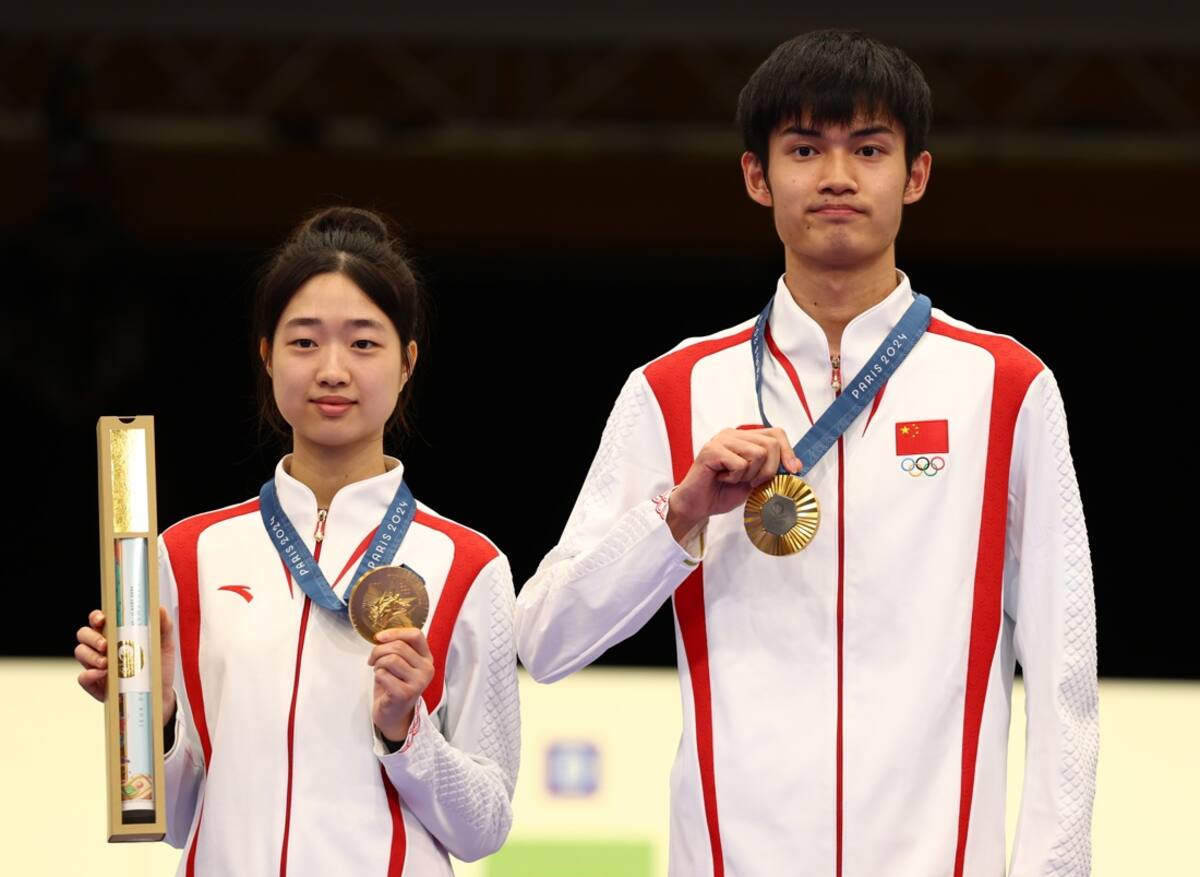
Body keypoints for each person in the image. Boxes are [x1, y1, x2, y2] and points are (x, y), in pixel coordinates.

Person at [515, 29, 1097, 877]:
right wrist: (676, 518)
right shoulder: (675, 390)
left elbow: (1064, 674)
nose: (835, 175)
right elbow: (544, 639)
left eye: (868, 148)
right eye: (803, 148)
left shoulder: (1004, 387)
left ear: (916, 175)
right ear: (758, 176)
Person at [76, 207, 520, 876]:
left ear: (407, 363)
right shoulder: (188, 553)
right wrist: (148, 714)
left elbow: (485, 826)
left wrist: (408, 731)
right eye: (305, 342)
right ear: (266, 355)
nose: (333, 369)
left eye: (364, 344)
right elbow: (161, 819)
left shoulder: (467, 564)